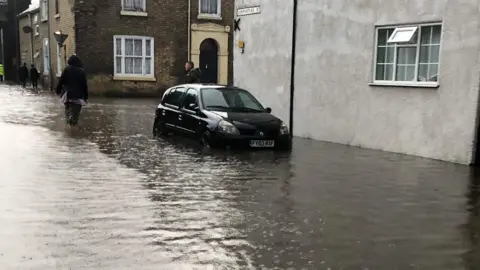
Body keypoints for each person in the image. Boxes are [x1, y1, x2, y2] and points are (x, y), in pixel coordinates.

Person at [56, 55, 88, 127]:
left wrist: (58, 90)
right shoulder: (81, 71)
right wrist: (85, 96)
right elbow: (84, 85)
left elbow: (61, 81)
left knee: (67, 112)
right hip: (78, 96)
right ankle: (73, 130)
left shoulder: (66, 69)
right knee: (75, 116)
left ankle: (68, 129)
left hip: (67, 95)